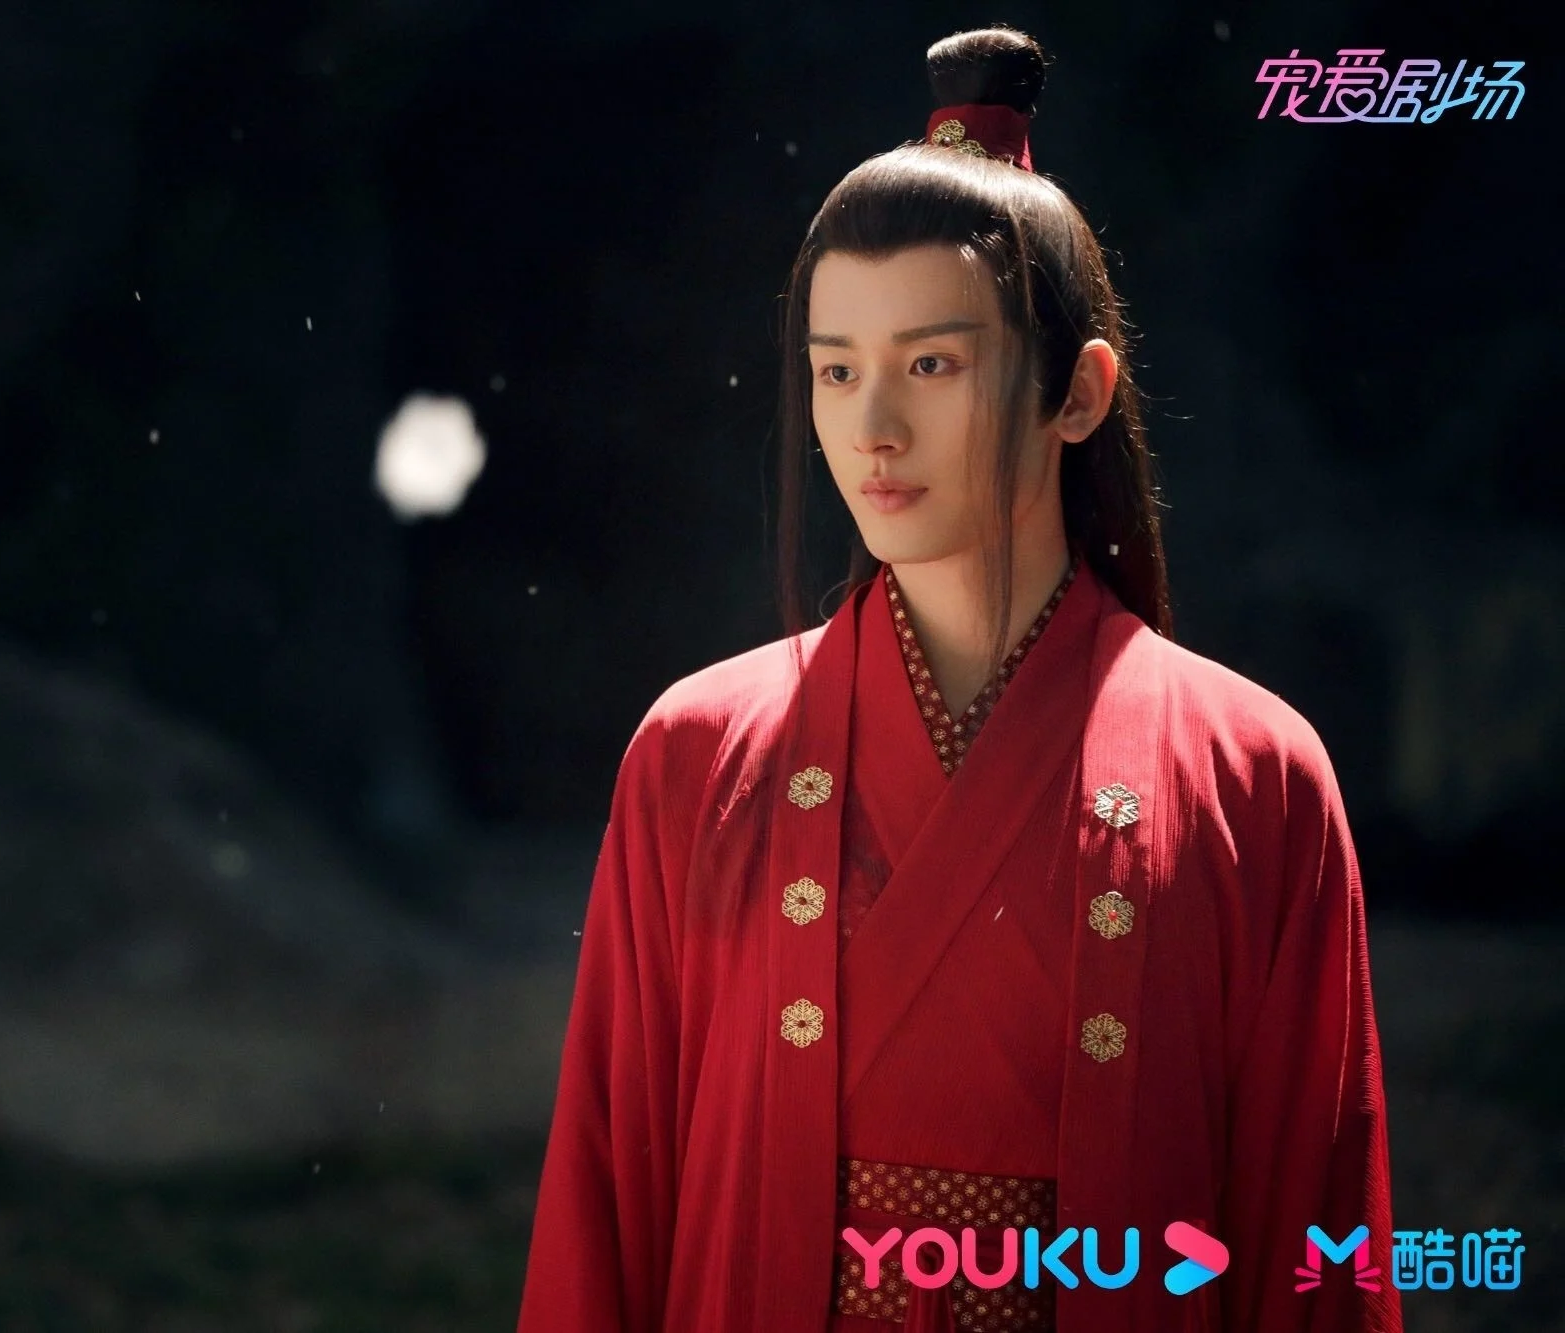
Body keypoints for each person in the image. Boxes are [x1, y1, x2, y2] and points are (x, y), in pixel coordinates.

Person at [514, 24, 1402, 1333]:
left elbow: (1315, 1237)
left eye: (932, 364)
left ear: (1078, 393)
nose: (873, 427)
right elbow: (607, 1200)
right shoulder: (695, 756)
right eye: (837, 370)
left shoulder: (1255, 775)